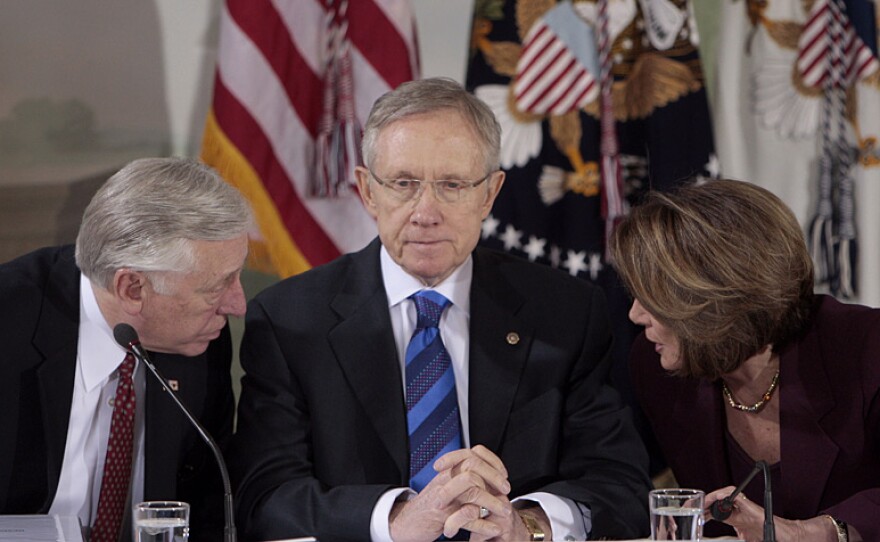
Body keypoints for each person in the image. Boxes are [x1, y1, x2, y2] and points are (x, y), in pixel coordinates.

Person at [231, 77, 651, 542]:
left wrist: (528, 526)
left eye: (452, 185)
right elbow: (263, 498)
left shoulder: (565, 313)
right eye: (403, 184)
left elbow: (620, 485)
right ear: (368, 191)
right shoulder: (289, 320)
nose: (425, 212)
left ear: (489, 194)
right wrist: (394, 521)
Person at [610, 179, 880, 542]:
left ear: (718, 298)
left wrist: (813, 533)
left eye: (654, 297)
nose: (635, 315)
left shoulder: (866, 348)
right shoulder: (656, 368)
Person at [0, 157, 251, 541]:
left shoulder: (198, 338)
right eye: (218, 286)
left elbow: (207, 504)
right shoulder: (9, 324)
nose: (237, 305)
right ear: (132, 288)